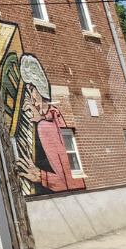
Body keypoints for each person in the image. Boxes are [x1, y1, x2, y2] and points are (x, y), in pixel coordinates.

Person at [14, 55, 85, 194]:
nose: (30, 98)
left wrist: (41, 176)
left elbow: (66, 181)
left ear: (39, 88)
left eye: (31, 90)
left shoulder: (46, 126)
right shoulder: (52, 116)